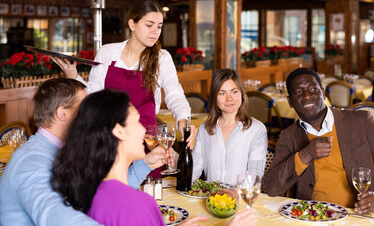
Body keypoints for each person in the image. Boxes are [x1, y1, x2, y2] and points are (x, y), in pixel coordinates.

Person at [51, 89, 257, 226]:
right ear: (119, 131)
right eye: (137, 122)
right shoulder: (138, 204)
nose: (144, 130)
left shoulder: (90, 190)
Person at [51, 0, 195, 178]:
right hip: (109, 141)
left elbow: (174, 92)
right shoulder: (107, 53)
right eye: (149, 25)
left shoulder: (162, 58)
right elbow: (94, 97)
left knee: (146, 192)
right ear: (132, 24)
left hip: (145, 141)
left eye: (159, 26)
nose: (155, 32)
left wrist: (183, 119)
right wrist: (73, 75)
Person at [0, 78, 170, 226]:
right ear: (62, 113)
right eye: (83, 109)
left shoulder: (70, 151)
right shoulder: (31, 160)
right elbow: (58, 219)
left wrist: (145, 164)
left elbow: (108, 195)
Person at [262, 68, 374, 221]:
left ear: (323, 92)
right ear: (290, 102)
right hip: (315, 218)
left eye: (313, 89)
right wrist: (306, 154)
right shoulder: (289, 136)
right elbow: (271, 187)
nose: (307, 96)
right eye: (298, 92)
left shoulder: (362, 121)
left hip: (361, 217)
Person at [192, 69, 268, 185]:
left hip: (241, 200)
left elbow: (254, 176)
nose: (229, 98)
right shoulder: (204, 129)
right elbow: (193, 171)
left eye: (234, 92)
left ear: (241, 94)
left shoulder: (257, 129)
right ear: (214, 98)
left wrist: (233, 194)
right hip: (211, 200)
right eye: (222, 93)